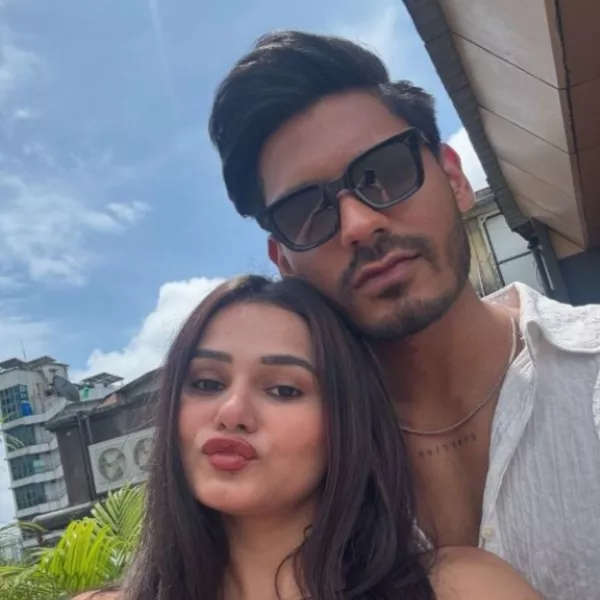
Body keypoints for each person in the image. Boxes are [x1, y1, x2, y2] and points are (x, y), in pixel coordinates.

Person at [208, 30, 600, 599]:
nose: (359, 225)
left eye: (383, 172)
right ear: (284, 262)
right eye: (306, 210)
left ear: (455, 179)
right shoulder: (300, 468)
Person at [75, 275, 541, 600]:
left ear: (345, 423)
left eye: (283, 390)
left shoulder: (466, 589)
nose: (232, 412)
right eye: (207, 383)